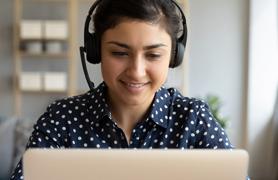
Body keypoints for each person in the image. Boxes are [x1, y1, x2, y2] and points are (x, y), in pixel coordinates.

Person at [10, 0, 233, 179]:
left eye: (153, 55)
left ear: (174, 57)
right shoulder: (62, 120)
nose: (136, 71)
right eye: (119, 53)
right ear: (96, 52)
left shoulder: (194, 119)